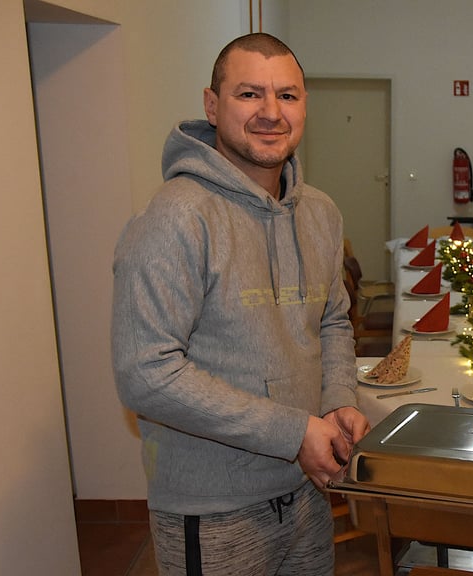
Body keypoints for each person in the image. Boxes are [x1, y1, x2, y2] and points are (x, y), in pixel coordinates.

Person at [112, 33, 370, 575]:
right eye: (250, 94)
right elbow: (145, 372)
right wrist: (294, 432)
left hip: (304, 495)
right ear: (212, 105)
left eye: (288, 96)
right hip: (213, 513)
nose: (271, 113)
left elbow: (331, 320)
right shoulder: (176, 218)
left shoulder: (320, 212)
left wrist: (338, 400)